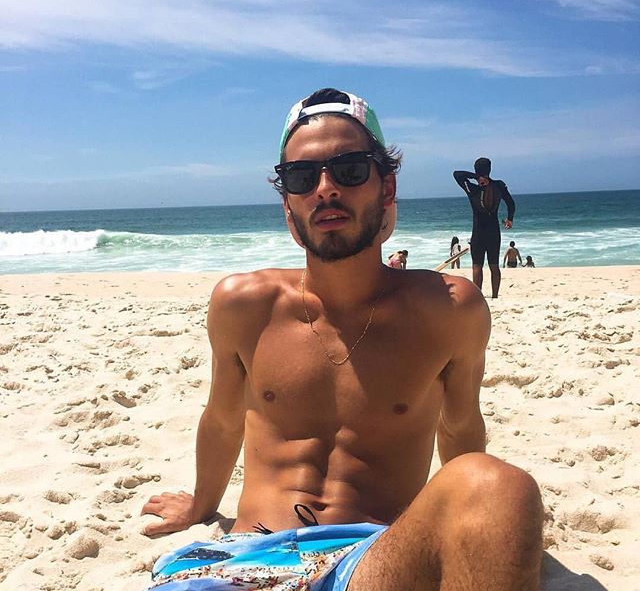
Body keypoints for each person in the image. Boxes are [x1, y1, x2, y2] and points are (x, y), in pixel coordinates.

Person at [142, 88, 542, 590]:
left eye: (349, 169)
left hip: (372, 562)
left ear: (386, 187)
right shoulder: (243, 305)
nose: (325, 189)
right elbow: (223, 420)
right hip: (245, 561)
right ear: (288, 206)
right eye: (302, 177)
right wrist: (201, 505)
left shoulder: (448, 310)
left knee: (500, 487)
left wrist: (474, 529)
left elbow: (461, 428)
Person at [453, 158, 515, 298]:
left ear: (476, 170)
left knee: (477, 266)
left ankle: (478, 297)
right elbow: (511, 203)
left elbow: (457, 174)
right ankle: (495, 296)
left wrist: (476, 177)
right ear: (490, 169)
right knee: (494, 265)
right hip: (494, 231)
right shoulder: (499, 186)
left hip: (478, 231)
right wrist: (510, 219)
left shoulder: (472, 188)